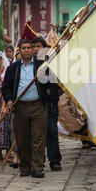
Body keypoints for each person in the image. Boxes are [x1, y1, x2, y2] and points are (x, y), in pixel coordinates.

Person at [2, 39, 50, 178]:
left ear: (33, 50)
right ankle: (25, 166)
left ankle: (37, 168)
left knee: (38, 139)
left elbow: (52, 84)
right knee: (22, 138)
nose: (27, 50)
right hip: (20, 107)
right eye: (24, 48)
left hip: (38, 106)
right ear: (20, 51)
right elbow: (6, 87)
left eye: (29, 48)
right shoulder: (13, 68)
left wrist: (47, 99)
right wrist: (9, 100)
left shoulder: (42, 66)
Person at [32, 36, 63, 172]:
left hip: (49, 103)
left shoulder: (51, 64)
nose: (36, 49)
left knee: (51, 132)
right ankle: (35, 161)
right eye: (34, 47)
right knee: (34, 134)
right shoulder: (27, 65)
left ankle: (54, 160)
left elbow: (58, 84)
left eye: (39, 46)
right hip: (33, 103)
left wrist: (53, 96)